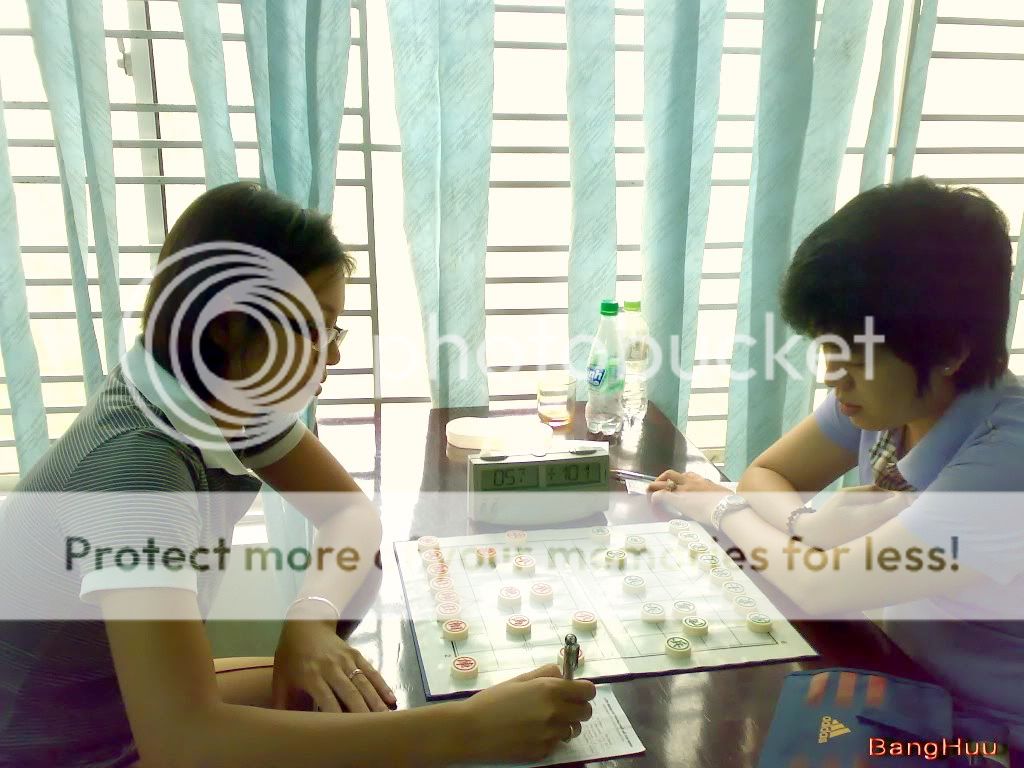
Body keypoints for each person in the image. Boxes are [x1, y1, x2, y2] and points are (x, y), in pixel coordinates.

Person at [0, 182, 595, 768]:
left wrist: (310, 615)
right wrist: (469, 731)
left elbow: (350, 514)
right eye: (312, 328)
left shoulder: (217, 394)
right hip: (61, 750)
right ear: (226, 325)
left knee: (358, 702)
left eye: (333, 329)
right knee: (401, 725)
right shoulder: (138, 468)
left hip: (120, 716)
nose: (331, 355)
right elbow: (183, 744)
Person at [649, 178, 1024, 750]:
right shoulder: (893, 398)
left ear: (950, 349)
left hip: (989, 736)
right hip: (904, 686)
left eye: (857, 351)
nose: (832, 375)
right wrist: (808, 525)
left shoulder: (1008, 460)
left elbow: (820, 584)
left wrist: (720, 508)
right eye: (828, 345)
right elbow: (767, 475)